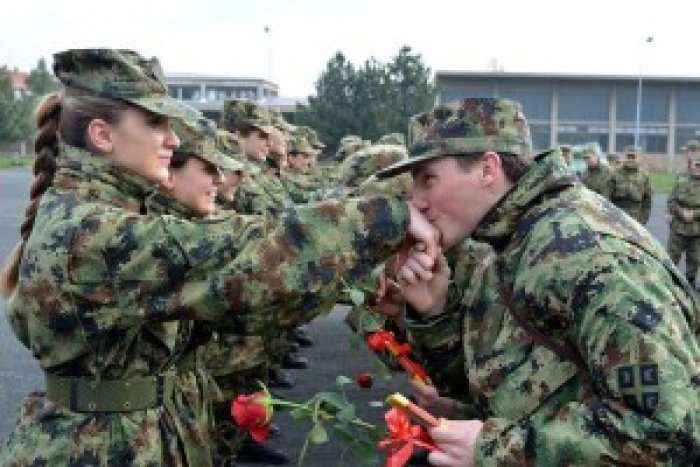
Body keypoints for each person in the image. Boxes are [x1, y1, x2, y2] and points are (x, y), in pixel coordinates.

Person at [0, 48, 438, 466]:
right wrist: (385, 218)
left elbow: (238, 302)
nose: (172, 140)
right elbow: (237, 255)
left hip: (123, 437)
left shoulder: (109, 216)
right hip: (97, 448)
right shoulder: (92, 232)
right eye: (156, 123)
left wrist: (357, 284)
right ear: (101, 135)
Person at [376, 97, 700, 466]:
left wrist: (494, 449)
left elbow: (670, 436)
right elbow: (512, 387)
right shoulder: (505, 241)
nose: (415, 202)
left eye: (428, 179)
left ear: (488, 169)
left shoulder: (591, 255)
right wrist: (434, 312)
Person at [668, 147, 700, 289]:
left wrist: (694, 214)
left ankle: (690, 285)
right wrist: (681, 212)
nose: (698, 168)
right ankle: (669, 284)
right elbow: (671, 202)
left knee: (694, 260)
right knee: (671, 258)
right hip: (678, 228)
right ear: (691, 166)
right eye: (696, 165)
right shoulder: (681, 181)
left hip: (697, 230)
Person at [610, 145, 652, 225]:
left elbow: (647, 201)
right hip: (617, 215)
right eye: (628, 157)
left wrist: (643, 221)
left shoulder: (644, 176)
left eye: (633, 157)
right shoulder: (615, 174)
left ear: (638, 158)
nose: (630, 160)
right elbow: (607, 197)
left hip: (636, 217)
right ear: (624, 158)